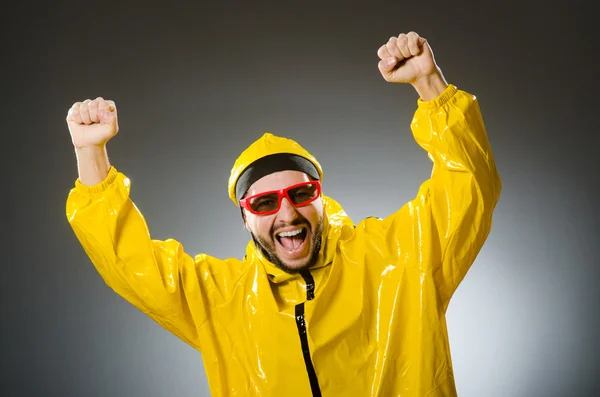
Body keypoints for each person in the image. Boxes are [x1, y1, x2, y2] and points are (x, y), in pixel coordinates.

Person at [65, 31, 501, 397]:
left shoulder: (401, 257)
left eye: (300, 192)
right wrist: (90, 153)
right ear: (244, 217)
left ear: (320, 196)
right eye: (265, 202)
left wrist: (430, 86)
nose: (287, 213)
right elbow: (128, 262)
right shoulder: (221, 299)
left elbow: (470, 185)